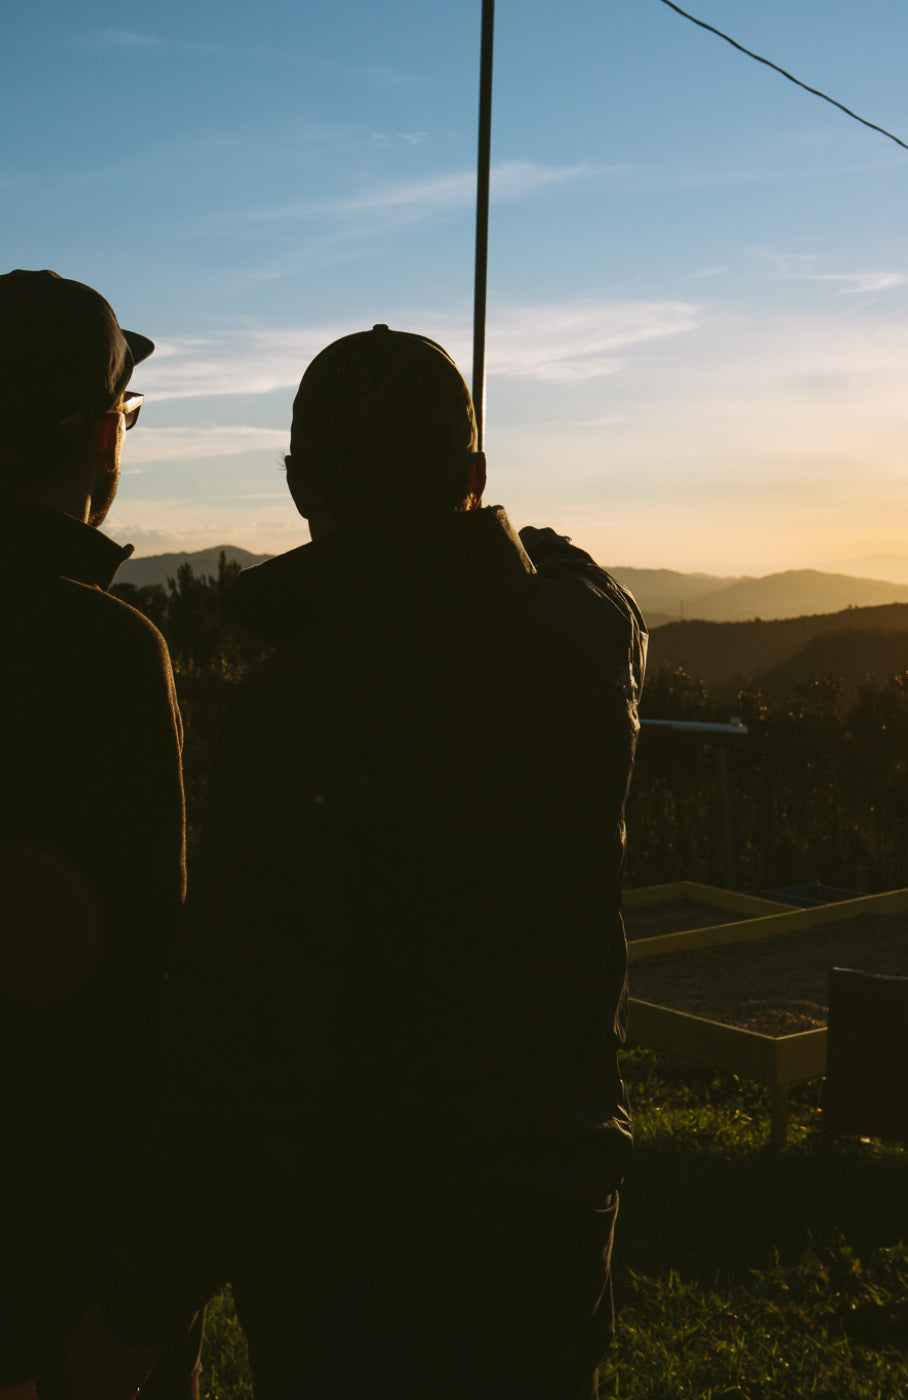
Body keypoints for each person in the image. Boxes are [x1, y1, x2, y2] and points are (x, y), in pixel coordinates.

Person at [97, 325, 646, 1398]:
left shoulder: (295, 712)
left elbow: (245, 1041)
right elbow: (586, 587)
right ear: (474, 475)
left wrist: (140, 1298)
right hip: (550, 1213)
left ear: (301, 483)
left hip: (351, 1256)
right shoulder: (588, 644)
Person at [0, 271, 203, 1398]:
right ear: (94, 434)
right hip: (53, 1232)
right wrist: (135, 1290)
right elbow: (136, 986)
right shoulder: (108, 654)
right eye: (124, 412)